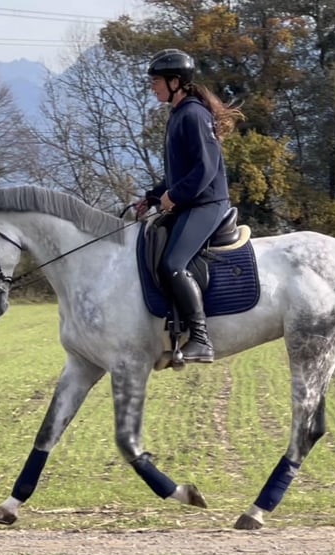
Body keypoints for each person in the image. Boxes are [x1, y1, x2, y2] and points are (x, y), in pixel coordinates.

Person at [136, 48, 245, 363]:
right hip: (191, 201)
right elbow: (178, 173)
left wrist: (175, 196)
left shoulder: (194, 115)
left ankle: (200, 339)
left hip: (206, 203)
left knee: (173, 264)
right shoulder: (178, 114)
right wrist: (153, 196)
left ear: (175, 82)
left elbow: (205, 170)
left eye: (156, 81)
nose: (152, 87)